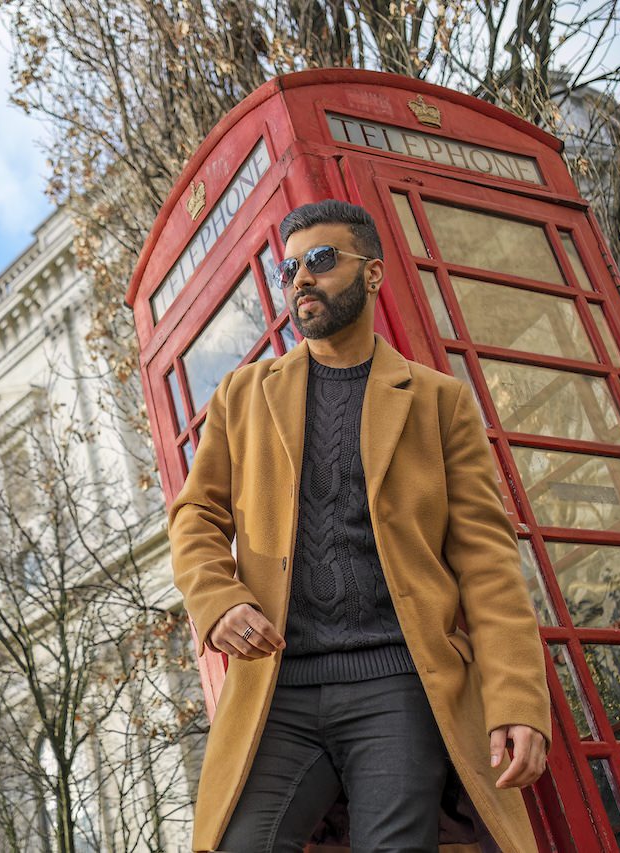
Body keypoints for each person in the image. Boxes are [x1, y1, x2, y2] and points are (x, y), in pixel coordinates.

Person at [168, 200, 551, 852]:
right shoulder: (243, 394)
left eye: (321, 260)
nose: (300, 281)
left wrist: (518, 699)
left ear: (373, 273)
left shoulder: (437, 400)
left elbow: (488, 562)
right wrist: (218, 597)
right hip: (279, 687)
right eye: (288, 269)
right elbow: (194, 515)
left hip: (398, 684)